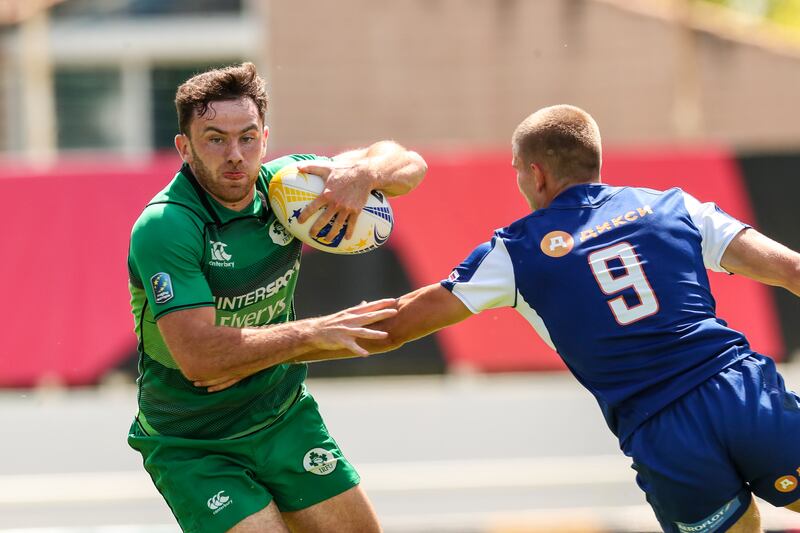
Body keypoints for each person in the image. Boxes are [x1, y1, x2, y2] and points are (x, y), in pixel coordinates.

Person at [200, 104, 800, 531]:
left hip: (663, 433)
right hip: (739, 391)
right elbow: (791, 271)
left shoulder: (517, 249)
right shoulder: (676, 206)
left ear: (535, 173)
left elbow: (397, 324)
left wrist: (268, 346)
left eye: (517, 173)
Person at [126, 62, 427, 533]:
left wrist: (364, 172)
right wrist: (313, 332)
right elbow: (202, 359)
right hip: (192, 440)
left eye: (248, 137)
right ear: (184, 147)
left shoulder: (288, 186)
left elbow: (408, 164)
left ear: (266, 137)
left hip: (284, 416)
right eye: (215, 138)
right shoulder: (167, 226)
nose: (235, 155)